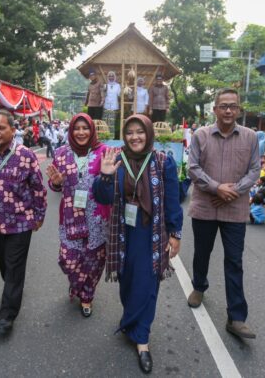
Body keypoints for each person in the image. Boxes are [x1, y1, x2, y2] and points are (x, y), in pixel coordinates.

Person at [93, 115, 182, 374]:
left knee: (147, 283)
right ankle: (130, 318)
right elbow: (102, 197)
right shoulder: (115, 159)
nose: (134, 137)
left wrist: (175, 234)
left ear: (149, 133)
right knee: (127, 280)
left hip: (151, 234)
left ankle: (142, 339)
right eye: (129, 132)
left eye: (140, 132)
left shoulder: (164, 161)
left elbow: (173, 201)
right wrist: (106, 177)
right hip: (122, 234)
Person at [186, 88, 260, 340]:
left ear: (239, 110)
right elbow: (192, 168)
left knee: (234, 261)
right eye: (224, 106)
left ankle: (236, 317)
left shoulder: (250, 137)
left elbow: (254, 170)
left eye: (233, 106)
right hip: (205, 207)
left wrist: (232, 191)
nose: (229, 110)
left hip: (235, 208)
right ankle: (199, 287)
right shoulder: (201, 135)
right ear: (215, 109)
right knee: (202, 253)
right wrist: (217, 188)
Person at [0, 109, 47, 337]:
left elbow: (38, 188)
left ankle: (7, 315)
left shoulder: (26, 155)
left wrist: (39, 215)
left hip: (21, 222)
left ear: (13, 130)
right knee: (5, 266)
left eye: (1, 128)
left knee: (14, 267)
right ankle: (12, 289)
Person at [45, 113, 109, 317]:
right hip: (70, 216)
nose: (81, 132)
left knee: (94, 261)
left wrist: (108, 176)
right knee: (68, 259)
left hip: (97, 218)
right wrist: (55, 183)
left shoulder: (104, 152)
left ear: (92, 130)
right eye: (76, 128)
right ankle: (77, 283)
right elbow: (55, 185)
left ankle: (87, 296)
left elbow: (112, 186)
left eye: (85, 128)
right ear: (71, 131)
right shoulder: (61, 152)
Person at [102, 71, 121, 139]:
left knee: (112, 123)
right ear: (108, 77)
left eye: (112, 76)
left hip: (114, 106)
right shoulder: (105, 85)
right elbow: (103, 95)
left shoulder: (118, 86)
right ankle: (105, 137)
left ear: (115, 77)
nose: (111, 77)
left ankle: (111, 138)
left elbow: (119, 95)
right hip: (106, 106)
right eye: (109, 76)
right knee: (106, 122)